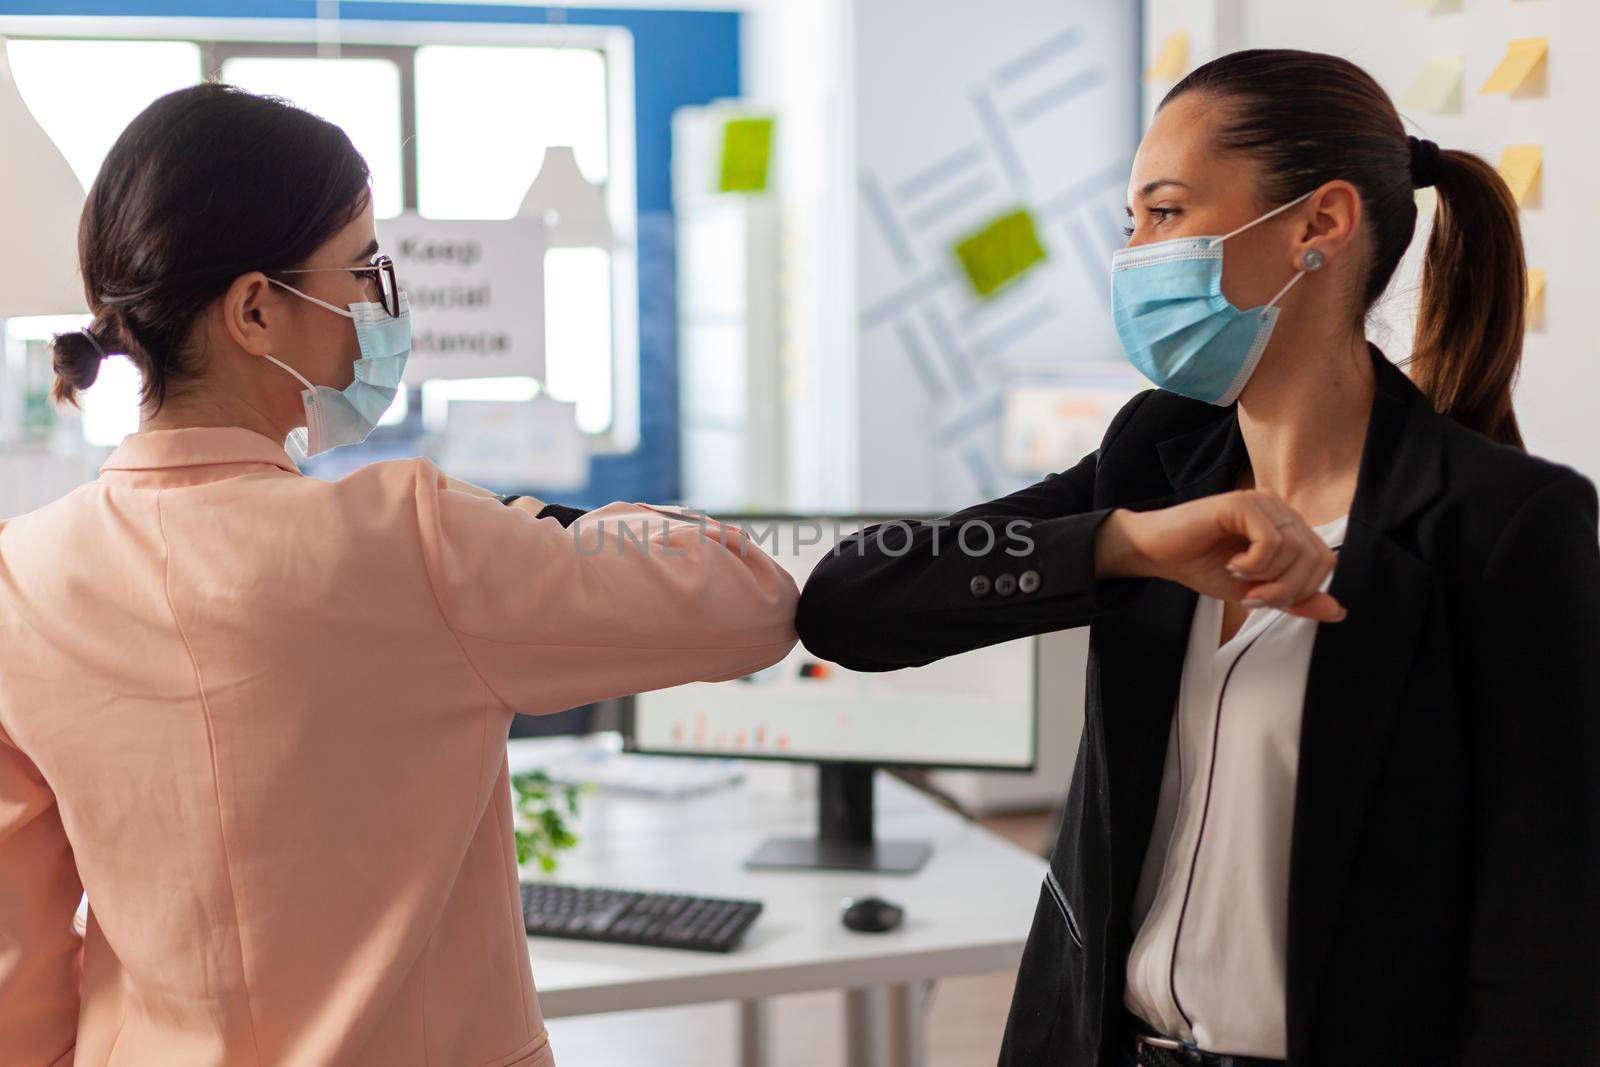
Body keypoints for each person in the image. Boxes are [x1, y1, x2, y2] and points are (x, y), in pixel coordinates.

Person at [796, 48, 1599, 1067]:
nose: (1135, 254)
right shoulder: (1152, 456)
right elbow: (848, 604)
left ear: (1319, 223)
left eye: (1165, 213)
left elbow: (1546, 938)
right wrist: (1123, 543)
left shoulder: (1502, 525)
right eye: (1128, 223)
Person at [0, 84, 798, 1067]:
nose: (383, 304)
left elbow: (17, 969)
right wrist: (547, 526)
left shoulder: (18, 576)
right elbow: (748, 605)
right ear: (255, 308)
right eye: (364, 268)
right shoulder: (409, 536)